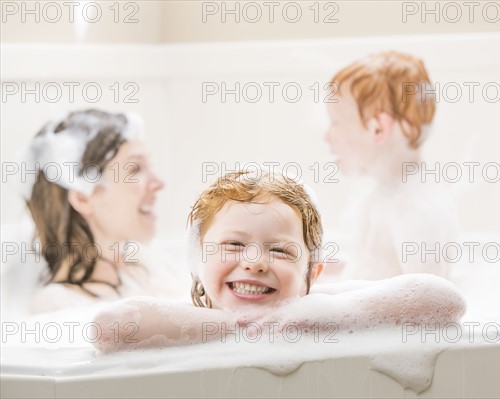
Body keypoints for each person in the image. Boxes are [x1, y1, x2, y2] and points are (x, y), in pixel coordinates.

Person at [93, 170, 465, 352]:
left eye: (281, 250)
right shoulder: (187, 318)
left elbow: (443, 299)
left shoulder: (323, 308)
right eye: (234, 246)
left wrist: (302, 319)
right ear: (197, 260)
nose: (254, 262)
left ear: (312, 274)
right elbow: (109, 327)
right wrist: (243, 326)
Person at [15, 109, 181, 314]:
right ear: (83, 197)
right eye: (135, 169)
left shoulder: (150, 265)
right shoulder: (58, 306)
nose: (159, 183)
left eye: (150, 166)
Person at [324, 51, 458, 280]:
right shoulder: (384, 194)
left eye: (336, 122)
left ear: (378, 128)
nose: (327, 136)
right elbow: (378, 267)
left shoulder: (413, 211)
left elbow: (429, 305)